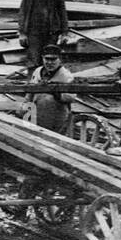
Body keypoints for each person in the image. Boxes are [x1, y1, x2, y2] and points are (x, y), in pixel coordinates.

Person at [21, 44, 75, 201]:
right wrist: (24, 110)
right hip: (35, 114)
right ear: (42, 59)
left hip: (55, 118)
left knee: (48, 148)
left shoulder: (66, 76)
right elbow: (29, 93)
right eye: (47, 59)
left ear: (60, 60)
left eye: (53, 59)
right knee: (29, 144)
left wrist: (55, 92)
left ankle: (40, 177)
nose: (49, 63)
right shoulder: (38, 71)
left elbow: (71, 97)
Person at [18, 0, 69, 70]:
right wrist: (22, 32)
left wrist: (65, 32)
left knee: (50, 59)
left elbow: (62, 10)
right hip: (34, 32)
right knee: (33, 60)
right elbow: (23, 10)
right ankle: (33, 84)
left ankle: (48, 84)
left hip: (51, 32)